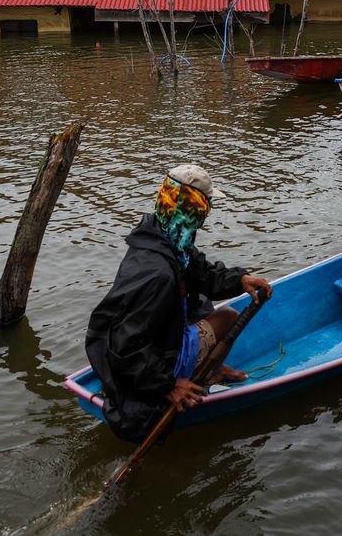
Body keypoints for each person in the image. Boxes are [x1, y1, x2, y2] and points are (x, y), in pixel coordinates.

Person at [85, 164, 273, 442]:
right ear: (195, 209)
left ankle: (210, 367)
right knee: (228, 318)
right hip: (147, 363)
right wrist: (168, 386)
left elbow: (203, 274)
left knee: (202, 305)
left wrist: (239, 280)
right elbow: (127, 343)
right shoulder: (157, 274)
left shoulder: (164, 238)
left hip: (152, 342)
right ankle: (204, 374)